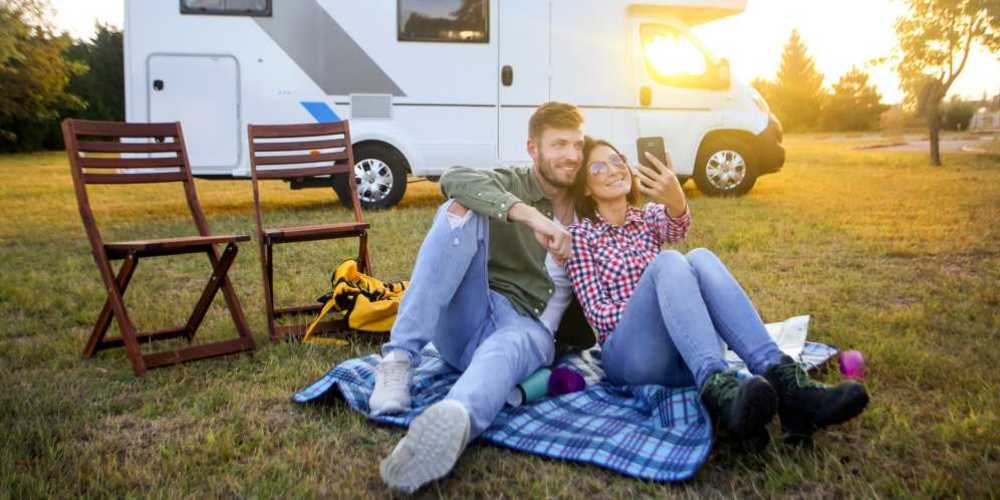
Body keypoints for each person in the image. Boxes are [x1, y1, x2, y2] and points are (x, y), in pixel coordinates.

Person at [564, 137, 869, 447]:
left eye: (617, 161)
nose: (613, 170)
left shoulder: (647, 219)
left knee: (700, 256)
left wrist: (676, 198)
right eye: (599, 167)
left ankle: (784, 386)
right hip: (632, 359)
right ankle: (719, 389)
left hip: (687, 354)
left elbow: (676, 225)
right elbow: (599, 314)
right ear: (586, 187)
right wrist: (662, 300)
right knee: (669, 261)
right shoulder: (580, 236)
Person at [369, 102, 587, 493]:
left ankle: (451, 420)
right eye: (558, 145)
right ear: (533, 149)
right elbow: (456, 178)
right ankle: (399, 359)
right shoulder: (514, 182)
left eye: (577, 145)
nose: (571, 155)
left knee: (510, 346)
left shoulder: (588, 206)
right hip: (470, 314)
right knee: (459, 210)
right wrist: (529, 216)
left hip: (527, 327)